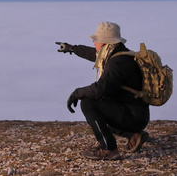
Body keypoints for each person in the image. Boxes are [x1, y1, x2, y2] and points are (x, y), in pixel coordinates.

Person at [56, 21, 150, 160]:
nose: (94, 43)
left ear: (105, 43)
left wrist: (77, 93)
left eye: (96, 40)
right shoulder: (118, 53)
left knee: (89, 103)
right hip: (135, 113)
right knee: (98, 103)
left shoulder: (118, 63)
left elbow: (100, 89)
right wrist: (72, 48)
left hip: (133, 117)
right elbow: (94, 55)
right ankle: (133, 135)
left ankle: (109, 149)